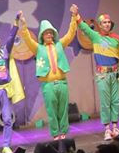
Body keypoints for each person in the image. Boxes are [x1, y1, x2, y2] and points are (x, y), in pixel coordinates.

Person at [19, 8, 81, 142]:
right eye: (46, 33)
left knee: (63, 109)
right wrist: (23, 24)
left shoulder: (59, 45)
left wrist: (73, 16)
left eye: (50, 32)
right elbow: (27, 38)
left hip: (62, 82)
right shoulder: (38, 48)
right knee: (51, 110)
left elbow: (70, 34)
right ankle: (55, 133)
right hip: (48, 85)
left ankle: (63, 132)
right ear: (42, 35)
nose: (49, 35)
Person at [76, 8, 119, 139]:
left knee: (116, 101)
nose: (107, 24)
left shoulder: (117, 38)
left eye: (109, 22)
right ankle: (107, 129)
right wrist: (76, 15)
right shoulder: (95, 36)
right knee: (105, 102)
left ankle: (115, 127)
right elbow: (84, 27)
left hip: (115, 74)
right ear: (100, 25)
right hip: (103, 75)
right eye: (104, 22)